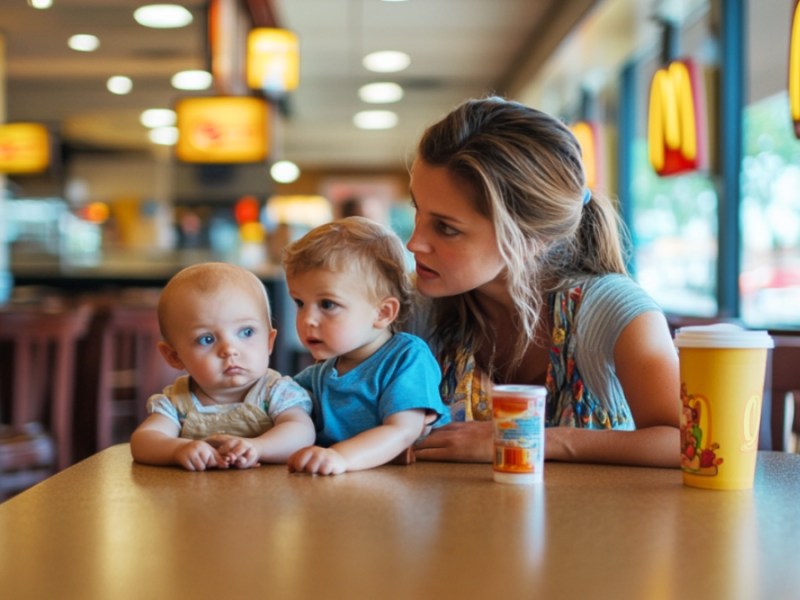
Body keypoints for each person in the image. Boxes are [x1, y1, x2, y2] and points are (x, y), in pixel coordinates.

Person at [406, 96, 681, 468]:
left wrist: (523, 437)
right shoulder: (415, 308)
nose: (413, 242)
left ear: (534, 239)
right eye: (417, 211)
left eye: (447, 228)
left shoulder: (615, 310)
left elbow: (687, 441)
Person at [282, 216, 450, 475]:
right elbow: (278, 408)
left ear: (383, 313)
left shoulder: (406, 358)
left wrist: (339, 457)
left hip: (415, 488)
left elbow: (402, 430)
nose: (307, 320)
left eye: (327, 304)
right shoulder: (316, 375)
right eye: (300, 303)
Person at [130, 262, 315, 471]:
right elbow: (143, 441)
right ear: (174, 356)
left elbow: (301, 432)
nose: (229, 350)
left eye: (246, 333)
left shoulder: (276, 392)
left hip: (267, 496)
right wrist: (177, 450)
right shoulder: (178, 403)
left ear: (269, 342)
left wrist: (258, 447)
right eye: (206, 339)